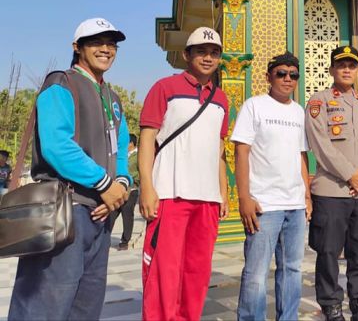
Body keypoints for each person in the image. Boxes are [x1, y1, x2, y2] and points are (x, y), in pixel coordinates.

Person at [9, 18, 131, 320]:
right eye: (96, 42)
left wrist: (121, 185)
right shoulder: (61, 83)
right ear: (77, 47)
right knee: (46, 301)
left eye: (111, 43)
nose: (105, 49)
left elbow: (122, 150)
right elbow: (56, 145)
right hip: (66, 209)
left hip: (100, 214)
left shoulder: (112, 98)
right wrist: (105, 185)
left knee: (86, 302)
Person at [139, 27, 230, 321]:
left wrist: (223, 193)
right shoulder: (164, 87)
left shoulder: (222, 99)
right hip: (170, 192)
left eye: (214, 53)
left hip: (207, 199)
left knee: (196, 271)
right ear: (186, 55)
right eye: (201, 51)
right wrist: (147, 188)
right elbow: (147, 139)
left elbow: (218, 150)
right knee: (164, 270)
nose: (208, 57)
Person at [233, 52, 311, 321]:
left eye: (293, 75)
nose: (288, 79)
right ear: (269, 77)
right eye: (281, 73)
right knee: (255, 273)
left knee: (292, 270)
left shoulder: (299, 111)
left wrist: (307, 195)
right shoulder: (254, 106)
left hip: (295, 205)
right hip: (264, 205)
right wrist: (244, 197)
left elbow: (301, 155)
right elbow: (241, 152)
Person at [305, 46, 358, 321]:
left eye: (352, 65)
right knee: (327, 252)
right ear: (332, 70)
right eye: (341, 65)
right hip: (331, 190)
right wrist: (351, 174)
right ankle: (331, 306)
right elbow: (320, 145)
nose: (347, 69)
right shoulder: (319, 101)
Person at [108, 133, 140, 250]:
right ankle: (105, 237)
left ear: (131, 143)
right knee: (112, 213)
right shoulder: (121, 155)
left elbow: (141, 173)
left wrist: (132, 183)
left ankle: (125, 241)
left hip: (131, 190)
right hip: (117, 189)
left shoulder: (138, 156)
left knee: (127, 215)